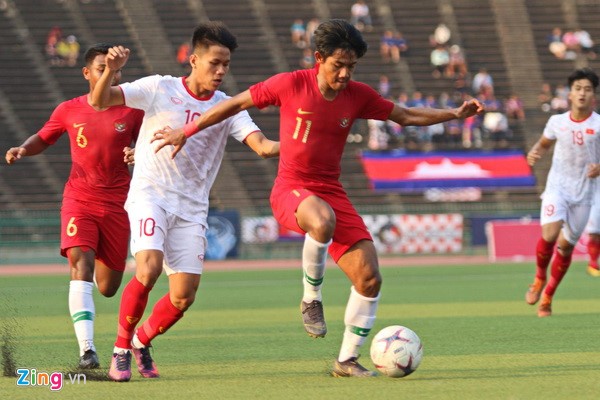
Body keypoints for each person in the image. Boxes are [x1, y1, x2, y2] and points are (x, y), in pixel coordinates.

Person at [152, 19, 483, 377]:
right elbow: (234, 104)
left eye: (351, 67)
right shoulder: (291, 84)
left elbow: (404, 116)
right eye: (338, 65)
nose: (344, 74)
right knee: (322, 220)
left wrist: (453, 113)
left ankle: (346, 360)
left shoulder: (358, 95)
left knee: (370, 277)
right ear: (318, 58)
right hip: (290, 187)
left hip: (330, 190)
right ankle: (311, 298)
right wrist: (186, 130)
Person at [89, 22, 279, 382]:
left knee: (183, 297)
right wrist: (111, 71)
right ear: (193, 60)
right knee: (148, 269)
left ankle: (141, 342)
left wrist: (303, 144)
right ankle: (119, 349)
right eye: (215, 63)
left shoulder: (229, 108)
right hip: (150, 194)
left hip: (192, 208)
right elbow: (100, 100)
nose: (221, 71)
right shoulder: (159, 87)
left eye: (226, 64)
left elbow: (264, 147)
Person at [4, 43, 144, 369]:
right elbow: (44, 136)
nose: (112, 76)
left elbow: (150, 141)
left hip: (117, 205)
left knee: (108, 287)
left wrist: (141, 152)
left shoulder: (133, 110)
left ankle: (92, 280)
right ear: (87, 73)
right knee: (80, 262)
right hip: (79, 199)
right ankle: (87, 350)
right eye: (103, 69)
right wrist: (23, 149)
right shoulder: (69, 109)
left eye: (117, 70)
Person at [525, 68, 600, 317]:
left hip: (584, 194)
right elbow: (544, 144)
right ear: (570, 94)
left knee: (566, 248)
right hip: (557, 187)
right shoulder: (557, 122)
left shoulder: (598, 125)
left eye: (587, 89)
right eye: (578, 88)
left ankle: (548, 295)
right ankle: (538, 278)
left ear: (594, 96)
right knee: (550, 234)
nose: (582, 93)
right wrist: (535, 151)